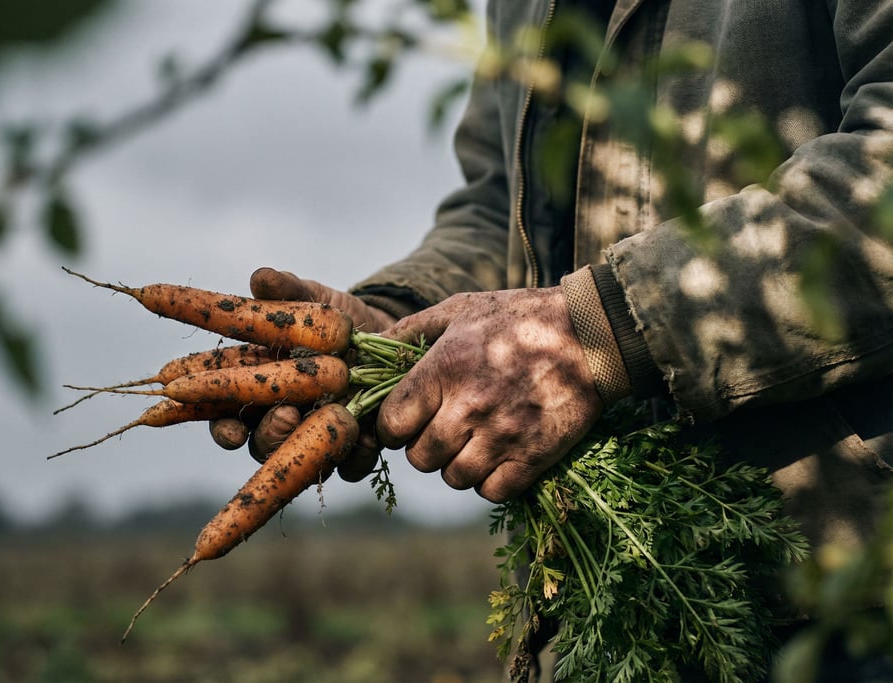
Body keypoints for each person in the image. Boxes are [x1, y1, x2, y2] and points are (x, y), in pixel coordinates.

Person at [212, 0, 893, 679]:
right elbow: (498, 206)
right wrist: (391, 325)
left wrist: (595, 331)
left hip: (846, 586)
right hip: (615, 589)